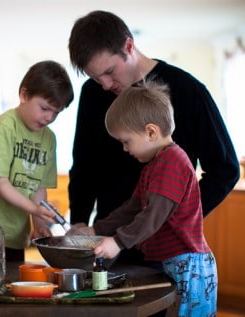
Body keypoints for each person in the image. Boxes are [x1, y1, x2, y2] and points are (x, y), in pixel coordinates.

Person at [67, 10, 240, 228]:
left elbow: (225, 170)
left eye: (110, 71)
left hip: (166, 248)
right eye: (95, 77)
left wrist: (177, 220)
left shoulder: (187, 91)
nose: (105, 85)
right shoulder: (93, 93)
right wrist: (78, 221)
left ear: (129, 47)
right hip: (108, 239)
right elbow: (85, 164)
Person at [70, 82, 218, 316]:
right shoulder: (154, 166)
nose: (124, 149)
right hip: (175, 263)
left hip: (191, 267)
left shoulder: (172, 163)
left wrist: (117, 242)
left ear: (151, 132)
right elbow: (132, 208)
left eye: (126, 141)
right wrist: (96, 230)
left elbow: (152, 217)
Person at [0, 60, 74, 262]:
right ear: (24, 95)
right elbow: (0, 183)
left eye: (56, 112)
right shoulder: (3, 128)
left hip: (14, 235)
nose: (49, 117)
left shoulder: (49, 139)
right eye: (45, 108)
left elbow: (38, 190)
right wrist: (34, 209)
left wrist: (39, 223)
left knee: (8, 289)